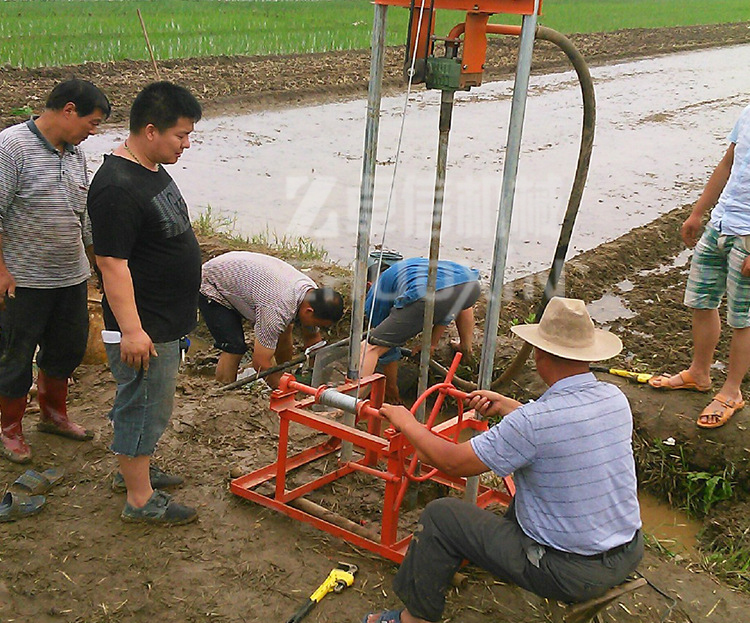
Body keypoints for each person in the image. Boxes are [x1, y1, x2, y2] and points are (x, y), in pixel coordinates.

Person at [364, 297, 643, 623]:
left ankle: (414, 619)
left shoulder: (534, 423)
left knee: (442, 516)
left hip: (569, 572)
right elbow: (562, 430)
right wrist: (510, 406)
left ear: (539, 354)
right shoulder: (613, 398)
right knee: (521, 501)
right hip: (627, 552)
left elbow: (452, 462)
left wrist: (406, 422)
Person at [87, 81, 203, 525]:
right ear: (150, 131)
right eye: (180, 135)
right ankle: (139, 500)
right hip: (144, 325)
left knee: (149, 403)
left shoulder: (148, 168)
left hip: (162, 319)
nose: (186, 145)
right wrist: (133, 330)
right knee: (143, 404)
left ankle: (136, 471)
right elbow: (112, 265)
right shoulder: (117, 185)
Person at [0, 78, 111, 464]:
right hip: (23, 279)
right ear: (68, 110)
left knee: (65, 349)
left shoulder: (75, 153)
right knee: (15, 354)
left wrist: (97, 263)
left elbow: (84, 216)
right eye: (92, 122)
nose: (92, 131)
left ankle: (53, 415)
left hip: (69, 275)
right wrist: (1, 271)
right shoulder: (11, 147)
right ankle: (10, 428)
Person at [648, 103, 750, 428]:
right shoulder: (748, 112)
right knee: (702, 301)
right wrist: (697, 212)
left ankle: (732, 390)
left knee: (743, 318)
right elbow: (727, 163)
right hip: (720, 223)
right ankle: (699, 373)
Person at [199, 251, 344, 387]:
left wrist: (315, 373)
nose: (317, 328)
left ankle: (285, 372)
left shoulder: (311, 293)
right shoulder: (277, 309)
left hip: (243, 276)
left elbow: (313, 339)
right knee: (234, 346)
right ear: (309, 311)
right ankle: (224, 392)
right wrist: (285, 391)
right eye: (318, 324)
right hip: (212, 282)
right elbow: (260, 363)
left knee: (286, 328)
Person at [360, 257, 480, 403]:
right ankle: (466, 348)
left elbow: (386, 347)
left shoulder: (375, 292)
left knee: (370, 348)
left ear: (368, 285)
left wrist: (391, 387)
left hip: (429, 294)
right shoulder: (412, 267)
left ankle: (346, 405)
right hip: (471, 285)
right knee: (458, 299)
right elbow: (446, 308)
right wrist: (431, 343)